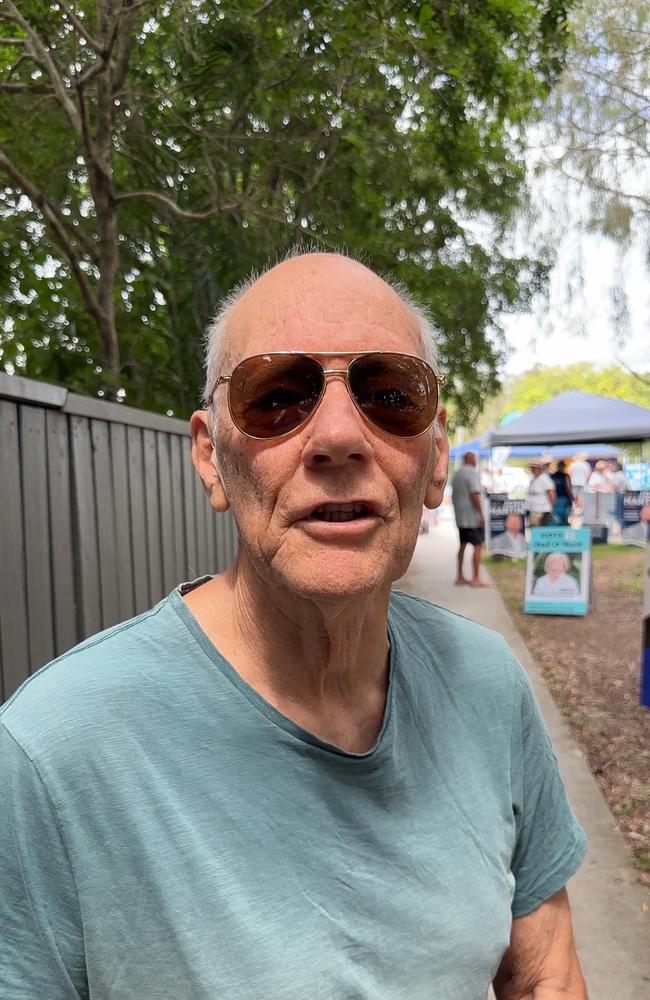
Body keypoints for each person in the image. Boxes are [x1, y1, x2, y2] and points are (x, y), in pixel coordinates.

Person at [0, 252, 587, 1000]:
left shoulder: (489, 684)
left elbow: (543, 972)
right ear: (211, 459)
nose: (338, 435)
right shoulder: (52, 753)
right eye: (276, 397)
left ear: (436, 458)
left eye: (388, 395)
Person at [451, 451, 490, 586]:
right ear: (473, 460)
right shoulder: (472, 473)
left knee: (462, 545)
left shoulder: (457, 473)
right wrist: (481, 514)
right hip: (472, 517)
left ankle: (460, 576)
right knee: (478, 546)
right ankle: (476, 578)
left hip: (460, 517)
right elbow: (475, 494)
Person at [526, 460, 556, 527]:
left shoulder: (545, 479)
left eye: (534, 468)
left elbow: (551, 494)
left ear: (539, 469)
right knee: (532, 528)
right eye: (532, 468)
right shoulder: (532, 478)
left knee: (540, 528)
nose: (532, 470)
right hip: (532, 509)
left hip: (542, 510)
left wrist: (551, 507)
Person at [606, 460, 629, 533]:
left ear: (616, 467)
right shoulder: (622, 474)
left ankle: (622, 529)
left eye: (612, 466)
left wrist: (609, 484)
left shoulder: (617, 475)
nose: (611, 468)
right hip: (622, 494)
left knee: (618, 514)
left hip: (618, 494)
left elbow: (615, 487)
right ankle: (623, 529)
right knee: (621, 513)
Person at [550, 460, 574, 525]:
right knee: (564, 514)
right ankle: (563, 527)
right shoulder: (565, 476)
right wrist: (572, 496)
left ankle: (559, 526)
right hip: (563, 498)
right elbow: (568, 487)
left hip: (555, 498)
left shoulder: (552, 476)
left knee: (557, 515)